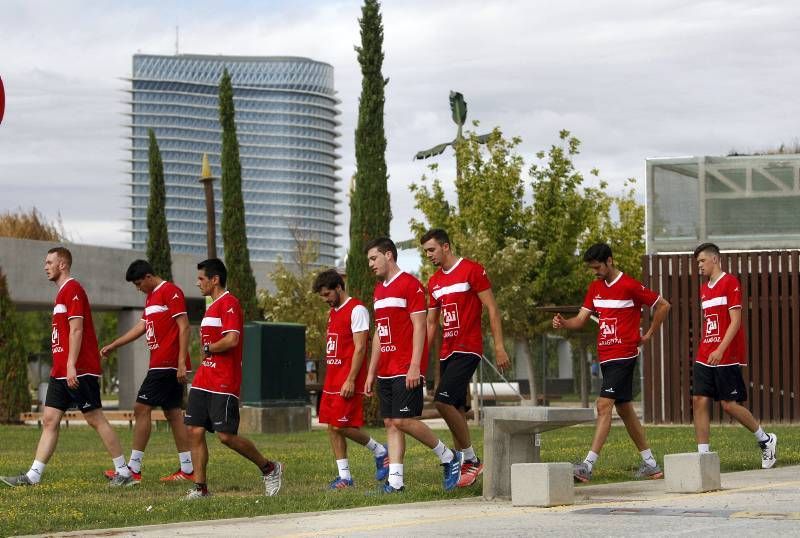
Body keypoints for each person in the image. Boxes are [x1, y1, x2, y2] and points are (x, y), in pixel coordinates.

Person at [0, 247, 134, 487]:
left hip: (78, 369)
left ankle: (124, 472)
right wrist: (62, 365)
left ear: (62, 264)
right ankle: (33, 476)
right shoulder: (61, 294)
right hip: (60, 371)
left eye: (49, 261)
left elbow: (77, 329)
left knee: (95, 419)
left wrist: (71, 364)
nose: (45, 266)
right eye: (45, 262)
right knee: (50, 419)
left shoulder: (73, 289)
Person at [552, 243, 670, 483]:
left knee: (603, 405)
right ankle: (651, 465)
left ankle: (587, 466)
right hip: (606, 357)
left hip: (623, 355)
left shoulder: (629, 285)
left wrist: (648, 334)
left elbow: (663, 305)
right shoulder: (595, 288)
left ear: (610, 261)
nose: (595, 271)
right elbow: (580, 320)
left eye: (597, 267)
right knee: (624, 409)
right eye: (592, 268)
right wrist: (565, 323)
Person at [363, 237, 461, 493]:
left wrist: (416, 365)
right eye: (369, 261)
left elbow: (420, 326)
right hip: (384, 370)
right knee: (391, 423)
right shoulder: (378, 290)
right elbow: (378, 333)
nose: (371, 264)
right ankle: (395, 482)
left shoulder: (411, 285)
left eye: (374, 258)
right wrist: (371, 372)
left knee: (403, 421)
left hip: (406, 367)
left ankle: (449, 456)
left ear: (389, 255)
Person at [183, 258, 282, 499]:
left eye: (201, 279)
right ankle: (200, 488)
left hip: (223, 381)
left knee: (226, 436)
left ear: (214, 279)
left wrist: (209, 349)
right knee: (194, 431)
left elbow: (232, 340)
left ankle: (269, 468)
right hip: (203, 379)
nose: (198, 283)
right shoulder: (211, 306)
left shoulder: (230, 304)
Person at [420, 229, 510, 487]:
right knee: (455, 409)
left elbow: (492, 308)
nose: (429, 255)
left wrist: (500, 346)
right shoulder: (434, 282)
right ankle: (465, 467)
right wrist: (420, 359)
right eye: (426, 251)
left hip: (468, 348)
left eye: (432, 250)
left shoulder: (472, 270)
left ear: (446, 246)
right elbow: (430, 322)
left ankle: (471, 459)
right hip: (446, 352)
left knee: (442, 401)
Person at [99, 260, 194, 483]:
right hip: (161, 364)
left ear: (149, 276)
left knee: (141, 408)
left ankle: (133, 470)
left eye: (139, 283)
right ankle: (188, 470)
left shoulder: (171, 292)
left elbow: (185, 326)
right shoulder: (151, 297)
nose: (138, 288)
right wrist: (115, 344)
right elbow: (141, 327)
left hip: (167, 364)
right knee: (173, 414)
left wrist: (181, 362)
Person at [691, 243, 776, 467]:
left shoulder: (730, 282)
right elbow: (710, 321)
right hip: (705, 353)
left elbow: (735, 321)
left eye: (702, 261)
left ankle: (766, 440)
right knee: (699, 399)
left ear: (715, 259)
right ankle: (703, 457)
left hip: (726, 353)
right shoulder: (703, 289)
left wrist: (720, 349)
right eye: (697, 262)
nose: (699, 266)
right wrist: (709, 346)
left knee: (728, 405)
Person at [313, 269, 389, 489]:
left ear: (338, 287)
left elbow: (361, 348)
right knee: (331, 426)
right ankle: (345, 477)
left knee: (341, 426)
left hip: (347, 380)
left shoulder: (357, 309)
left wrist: (350, 379)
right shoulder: (334, 312)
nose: (326, 300)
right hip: (332, 380)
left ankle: (380, 451)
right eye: (322, 296)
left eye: (327, 294)